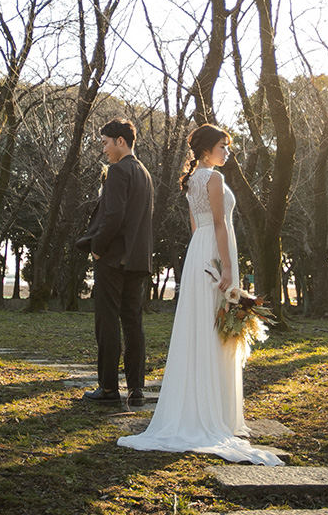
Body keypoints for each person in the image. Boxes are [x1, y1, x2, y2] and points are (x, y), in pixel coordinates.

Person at [117, 124, 282, 465]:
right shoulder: (213, 179)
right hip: (215, 253)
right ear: (208, 149)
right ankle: (212, 411)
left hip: (198, 253)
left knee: (206, 327)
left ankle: (207, 404)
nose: (227, 152)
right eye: (224, 146)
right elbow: (220, 224)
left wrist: (205, 260)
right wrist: (225, 269)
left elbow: (197, 225)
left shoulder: (193, 179)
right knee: (217, 328)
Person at [79, 118, 154, 406]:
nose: (104, 149)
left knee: (107, 322)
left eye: (105, 143)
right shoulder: (144, 173)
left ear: (120, 141)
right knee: (133, 323)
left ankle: (109, 389)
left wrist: (97, 248)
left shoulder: (117, 171)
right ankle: (136, 389)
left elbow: (114, 216)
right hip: (138, 259)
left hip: (113, 258)